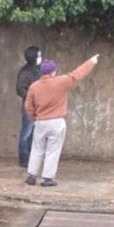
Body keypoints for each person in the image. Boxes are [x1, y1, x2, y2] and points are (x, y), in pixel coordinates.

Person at [24, 54, 100, 186]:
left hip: (40, 122)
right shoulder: (61, 81)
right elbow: (77, 74)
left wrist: (35, 117)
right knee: (53, 150)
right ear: (53, 71)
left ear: (41, 72)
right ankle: (47, 179)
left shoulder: (34, 86)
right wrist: (91, 62)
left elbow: (28, 106)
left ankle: (31, 176)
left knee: (37, 148)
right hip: (57, 122)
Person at [16, 46, 42, 168]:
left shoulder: (37, 70)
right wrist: (32, 98)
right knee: (26, 132)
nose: (40, 58)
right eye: (38, 55)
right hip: (29, 106)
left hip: (38, 106)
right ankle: (24, 159)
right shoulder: (25, 72)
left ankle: (31, 157)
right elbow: (20, 89)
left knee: (33, 133)